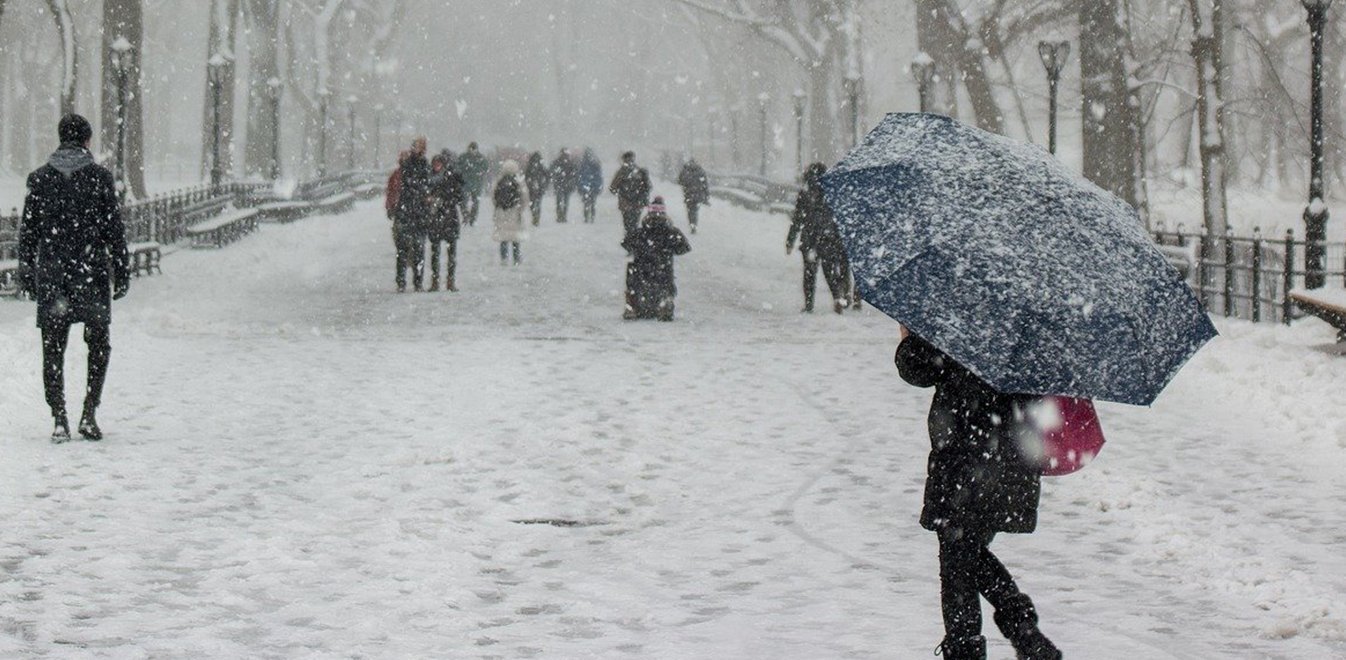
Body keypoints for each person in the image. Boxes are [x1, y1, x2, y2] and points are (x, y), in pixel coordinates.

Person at [895, 330, 1061, 660]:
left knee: (958, 553)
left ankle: (978, 647)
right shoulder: (1031, 323)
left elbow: (917, 368)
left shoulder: (958, 314)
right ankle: (1025, 635)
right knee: (964, 551)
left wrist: (910, 339)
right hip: (1012, 454)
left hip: (964, 454)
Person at [17, 114, 129, 443]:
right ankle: (89, 413)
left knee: (53, 348)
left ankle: (59, 417)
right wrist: (121, 268)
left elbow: (28, 233)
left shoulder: (39, 180)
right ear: (86, 141)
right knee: (98, 344)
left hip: (53, 273)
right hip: (90, 272)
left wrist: (27, 270)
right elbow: (113, 229)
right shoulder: (99, 178)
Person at [787, 163, 850, 314]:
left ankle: (809, 305)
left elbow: (797, 220)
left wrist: (790, 240)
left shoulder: (805, 194)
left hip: (809, 240)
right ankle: (837, 298)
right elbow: (838, 218)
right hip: (827, 239)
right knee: (829, 272)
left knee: (809, 273)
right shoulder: (830, 193)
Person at [621, 196, 690, 321]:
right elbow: (684, 248)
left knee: (631, 273)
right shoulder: (671, 232)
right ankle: (666, 303)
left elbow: (626, 243)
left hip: (641, 268)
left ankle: (631, 305)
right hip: (663, 268)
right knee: (667, 281)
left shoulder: (640, 232)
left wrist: (638, 249)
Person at [393, 138, 433, 292]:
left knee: (418, 249)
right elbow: (410, 184)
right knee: (403, 250)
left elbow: (425, 185)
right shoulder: (408, 164)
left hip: (417, 213)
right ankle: (402, 282)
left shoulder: (423, 165)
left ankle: (417, 281)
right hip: (408, 211)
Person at [428, 152, 466, 291]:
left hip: (449, 217)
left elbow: (459, 196)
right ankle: (435, 280)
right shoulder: (429, 178)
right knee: (435, 252)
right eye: (435, 164)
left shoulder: (451, 178)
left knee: (451, 252)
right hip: (436, 218)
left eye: (439, 164)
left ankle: (450, 281)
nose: (437, 166)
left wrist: (445, 200)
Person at [491, 160, 529, 265]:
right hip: (514, 211)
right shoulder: (518, 181)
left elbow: (493, 196)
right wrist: (521, 208)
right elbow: (524, 196)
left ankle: (504, 258)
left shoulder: (499, 181)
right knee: (515, 236)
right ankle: (516, 257)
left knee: (503, 236)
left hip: (501, 212)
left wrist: (498, 207)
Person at [609, 151, 651, 237]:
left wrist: (620, 193)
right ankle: (634, 238)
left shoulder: (621, 172)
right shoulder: (640, 171)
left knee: (628, 224)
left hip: (625, 204)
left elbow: (613, 188)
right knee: (635, 223)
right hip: (638, 203)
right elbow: (648, 186)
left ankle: (629, 240)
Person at [457, 141, 489, 226]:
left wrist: (480, 173)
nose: (473, 151)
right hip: (466, 183)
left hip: (476, 183)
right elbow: (457, 167)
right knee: (463, 201)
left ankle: (472, 218)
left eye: (474, 149)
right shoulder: (463, 157)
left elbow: (486, 167)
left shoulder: (481, 158)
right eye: (472, 149)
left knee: (475, 202)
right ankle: (466, 216)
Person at [677, 158, 710, 234]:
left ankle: (692, 224)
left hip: (688, 194)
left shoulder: (685, 171)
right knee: (695, 210)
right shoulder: (700, 171)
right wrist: (706, 194)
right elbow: (705, 184)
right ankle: (694, 224)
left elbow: (680, 181)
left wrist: (687, 184)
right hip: (698, 194)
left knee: (690, 210)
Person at [550, 148, 578, 223]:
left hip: (560, 185)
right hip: (567, 185)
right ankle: (563, 216)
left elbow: (552, 172)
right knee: (565, 201)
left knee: (559, 201)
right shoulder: (570, 163)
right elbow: (574, 174)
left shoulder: (557, 162)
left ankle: (560, 216)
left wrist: (555, 180)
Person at [577, 148, 603, 224]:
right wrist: (598, 186)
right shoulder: (595, 164)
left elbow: (580, 176)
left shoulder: (583, 164)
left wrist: (580, 186)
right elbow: (598, 176)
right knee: (592, 203)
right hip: (593, 186)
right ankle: (591, 217)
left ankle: (587, 217)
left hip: (586, 186)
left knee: (587, 203)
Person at [524, 151, 550, 227]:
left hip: (532, 188)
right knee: (538, 203)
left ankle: (534, 215)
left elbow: (526, 176)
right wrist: (544, 184)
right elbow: (547, 175)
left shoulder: (530, 166)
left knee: (532, 204)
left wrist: (528, 184)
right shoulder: (541, 166)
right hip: (539, 187)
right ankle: (536, 217)